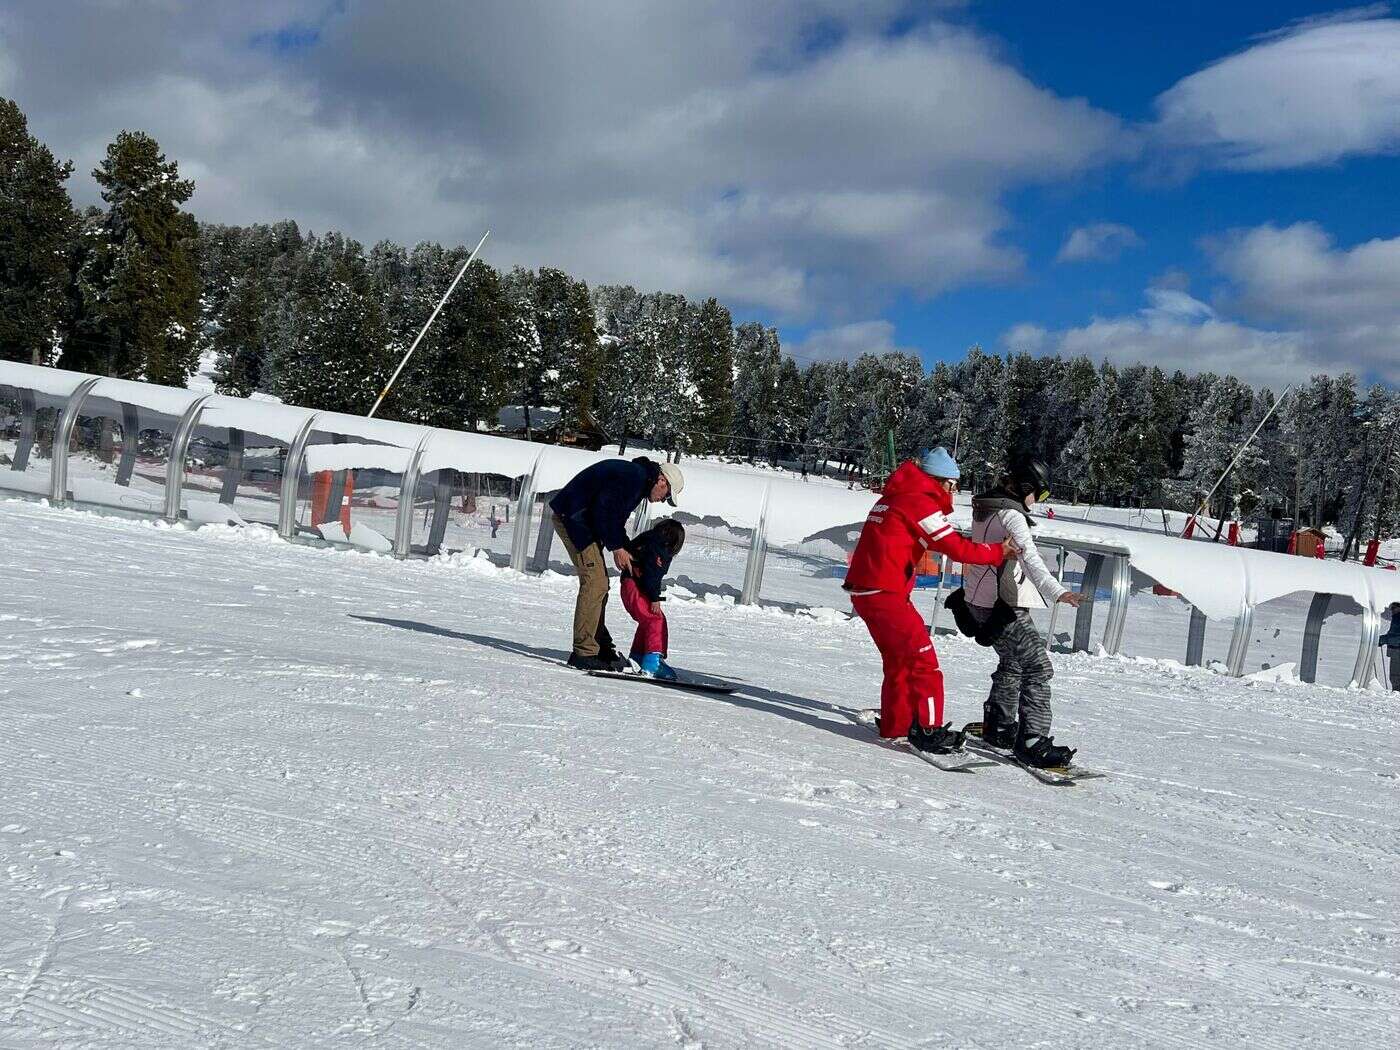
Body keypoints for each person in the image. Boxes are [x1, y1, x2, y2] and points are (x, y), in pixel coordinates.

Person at [844, 446, 1017, 753]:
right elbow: (955, 548)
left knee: (899, 661)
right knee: (925, 662)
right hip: (885, 593)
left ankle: (895, 724)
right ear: (940, 481)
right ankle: (928, 730)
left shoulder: (895, 496)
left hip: (868, 590)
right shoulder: (919, 502)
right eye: (953, 485)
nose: (955, 491)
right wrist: (996, 552)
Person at [963, 456, 1084, 768]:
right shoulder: (1011, 516)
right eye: (1040, 494)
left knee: (1013, 662)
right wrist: (1059, 592)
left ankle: (999, 725)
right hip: (1001, 606)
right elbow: (1030, 559)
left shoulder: (985, 506)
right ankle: (1033, 741)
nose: (1039, 501)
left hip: (980, 600)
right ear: (1026, 486)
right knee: (1039, 668)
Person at [549, 456, 685, 671]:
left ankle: (600, 644)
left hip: (582, 521)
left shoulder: (637, 479)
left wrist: (624, 547)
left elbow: (615, 519)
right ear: (662, 481)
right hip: (574, 520)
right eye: (666, 495)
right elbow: (604, 510)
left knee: (600, 583)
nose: (662, 500)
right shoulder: (634, 477)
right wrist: (617, 547)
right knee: (595, 583)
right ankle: (584, 652)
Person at [619, 519, 686, 679]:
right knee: (655, 619)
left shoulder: (648, 539)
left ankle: (638, 656)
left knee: (649, 620)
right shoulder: (659, 549)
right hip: (635, 587)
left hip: (631, 585)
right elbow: (652, 575)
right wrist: (654, 598)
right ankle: (652, 662)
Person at [1380, 602, 1400, 693]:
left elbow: (1396, 638)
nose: (1392, 610)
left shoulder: (1398, 618)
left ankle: (1396, 694)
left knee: (1395, 676)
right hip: (1396, 651)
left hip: (1397, 652)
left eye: (1393, 608)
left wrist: (1382, 640)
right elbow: (1393, 634)